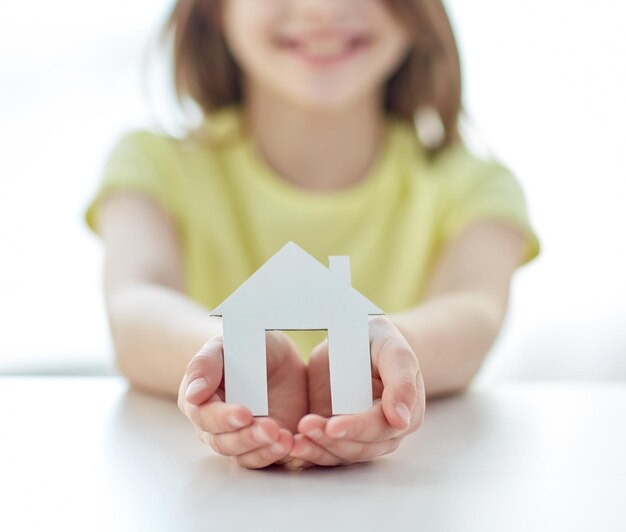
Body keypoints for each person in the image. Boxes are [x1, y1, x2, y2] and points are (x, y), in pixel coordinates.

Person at [85, 0, 539, 470]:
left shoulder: (474, 186)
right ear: (217, 9)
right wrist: (233, 361)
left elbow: (473, 310)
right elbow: (136, 303)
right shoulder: (155, 166)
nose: (323, 9)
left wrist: (383, 355)